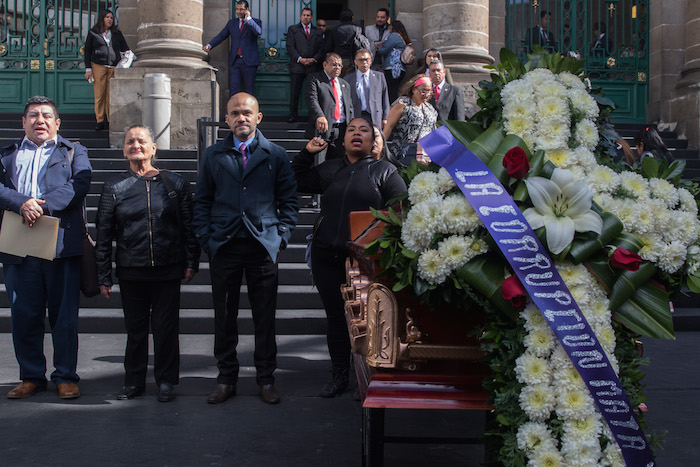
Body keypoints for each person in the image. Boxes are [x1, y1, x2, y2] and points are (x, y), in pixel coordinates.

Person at [193, 93, 298, 405]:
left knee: (264, 317)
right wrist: (206, 239)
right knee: (224, 317)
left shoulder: (275, 154)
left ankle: (266, 379)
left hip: (262, 245)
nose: (242, 118)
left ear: (258, 117)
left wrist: (281, 237)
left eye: (247, 113)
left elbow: (289, 201)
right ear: (226, 119)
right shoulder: (213, 155)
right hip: (224, 245)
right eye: (235, 113)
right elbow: (202, 201)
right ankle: (226, 378)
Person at [292, 117, 407, 398]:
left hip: (365, 261)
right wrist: (307, 153)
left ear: (374, 140)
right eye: (351, 130)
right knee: (335, 317)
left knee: (369, 319)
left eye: (364, 130)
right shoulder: (332, 168)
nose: (357, 133)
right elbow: (296, 180)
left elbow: (402, 208)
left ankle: (367, 377)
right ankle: (339, 374)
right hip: (326, 256)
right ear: (343, 141)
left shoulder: (385, 171)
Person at [95, 125, 200, 403]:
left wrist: (192, 259)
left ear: (154, 148)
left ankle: (166, 381)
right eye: (130, 142)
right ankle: (134, 382)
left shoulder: (174, 183)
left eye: (142, 141)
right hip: (131, 269)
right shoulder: (114, 187)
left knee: (166, 329)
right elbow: (103, 234)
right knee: (136, 330)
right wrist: (103, 275)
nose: (136, 146)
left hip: (167, 268)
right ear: (124, 151)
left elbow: (188, 226)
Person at [0, 96, 92, 400]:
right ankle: (31, 376)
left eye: (46, 115)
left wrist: (42, 206)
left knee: (64, 316)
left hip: (59, 244)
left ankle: (65, 376)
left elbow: (80, 184)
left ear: (57, 123)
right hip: (18, 244)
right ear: (23, 122)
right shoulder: (7, 154)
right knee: (24, 314)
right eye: (33, 115)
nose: (39, 120)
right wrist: (21, 203)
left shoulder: (74, 151)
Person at [203, 0, 262, 96]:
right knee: (234, 90)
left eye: (241, 9)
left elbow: (258, 32)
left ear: (247, 9)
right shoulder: (232, 23)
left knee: (249, 90)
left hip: (250, 62)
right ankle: (232, 106)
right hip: (235, 61)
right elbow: (221, 36)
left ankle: (249, 106)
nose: (238, 11)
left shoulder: (255, 22)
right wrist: (210, 45)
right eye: (237, 9)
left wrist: (249, 19)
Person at [84, 9, 130, 131]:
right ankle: (100, 120)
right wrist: (88, 69)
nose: (109, 19)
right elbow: (87, 51)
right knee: (99, 94)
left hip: (113, 67)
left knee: (111, 95)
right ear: (102, 18)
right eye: (107, 17)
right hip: (98, 66)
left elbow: (125, 49)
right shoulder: (93, 33)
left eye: (111, 17)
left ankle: (110, 120)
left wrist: (125, 61)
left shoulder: (116, 33)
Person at [305, 52, 354, 160]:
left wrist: (351, 128)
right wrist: (319, 115)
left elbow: (349, 108)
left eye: (340, 65)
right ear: (325, 65)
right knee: (320, 163)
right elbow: (311, 100)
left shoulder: (345, 84)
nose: (337, 68)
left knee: (338, 163)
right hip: (322, 129)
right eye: (334, 64)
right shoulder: (315, 79)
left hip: (341, 130)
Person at [383, 75, 438, 164]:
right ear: (413, 89)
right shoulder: (403, 103)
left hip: (425, 155)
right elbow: (389, 126)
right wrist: (381, 148)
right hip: (404, 152)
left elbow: (434, 130)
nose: (426, 94)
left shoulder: (430, 108)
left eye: (429, 91)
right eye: (423, 91)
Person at [287, 8, 325, 123]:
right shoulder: (293, 29)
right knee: (295, 92)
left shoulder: (318, 31)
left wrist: (314, 59)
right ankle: (293, 115)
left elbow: (321, 48)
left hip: (312, 67)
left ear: (312, 18)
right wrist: (300, 59)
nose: (306, 17)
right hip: (297, 66)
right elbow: (290, 46)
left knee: (312, 93)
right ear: (300, 16)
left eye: (308, 15)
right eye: (304, 15)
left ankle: (312, 116)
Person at [344, 49, 390, 130]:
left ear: (370, 61)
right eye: (361, 60)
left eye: (366, 59)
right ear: (355, 62)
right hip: (357, 115)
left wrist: (385, 117)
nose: (364, 62)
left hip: (375, 116)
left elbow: (385, 98)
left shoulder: (379, 77)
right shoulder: (348, 79)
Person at [377, 20, 409, 103]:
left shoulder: (394, 36)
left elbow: (383, 50)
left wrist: (378, 47)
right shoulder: (402, 38)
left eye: (390, 28)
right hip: (401, 68)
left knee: (390, 92)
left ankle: (392, 108)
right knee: (394, 90)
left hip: (392, 67)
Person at [329, 9, 363, 77]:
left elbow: (329, 46)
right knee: (349, 81)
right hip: (351, 59)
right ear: (352, 18)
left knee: (337, 80)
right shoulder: (358, 29)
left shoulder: (334, 29)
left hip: (337, 59)